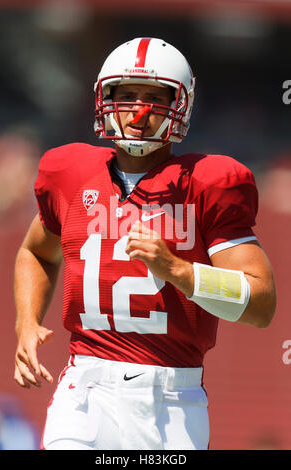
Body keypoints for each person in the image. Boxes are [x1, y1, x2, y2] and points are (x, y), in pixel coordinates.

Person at [14, 37, 276, 450]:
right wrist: (27, 322)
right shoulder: (69, 172)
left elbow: (261, 304)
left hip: (172, 399)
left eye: (155, 98)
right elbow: (35, 252)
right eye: (128, 95)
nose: (139, 111)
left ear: (180, 105)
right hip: (85, 390)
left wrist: (179, 271)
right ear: (104, 99)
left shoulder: (209, 182)